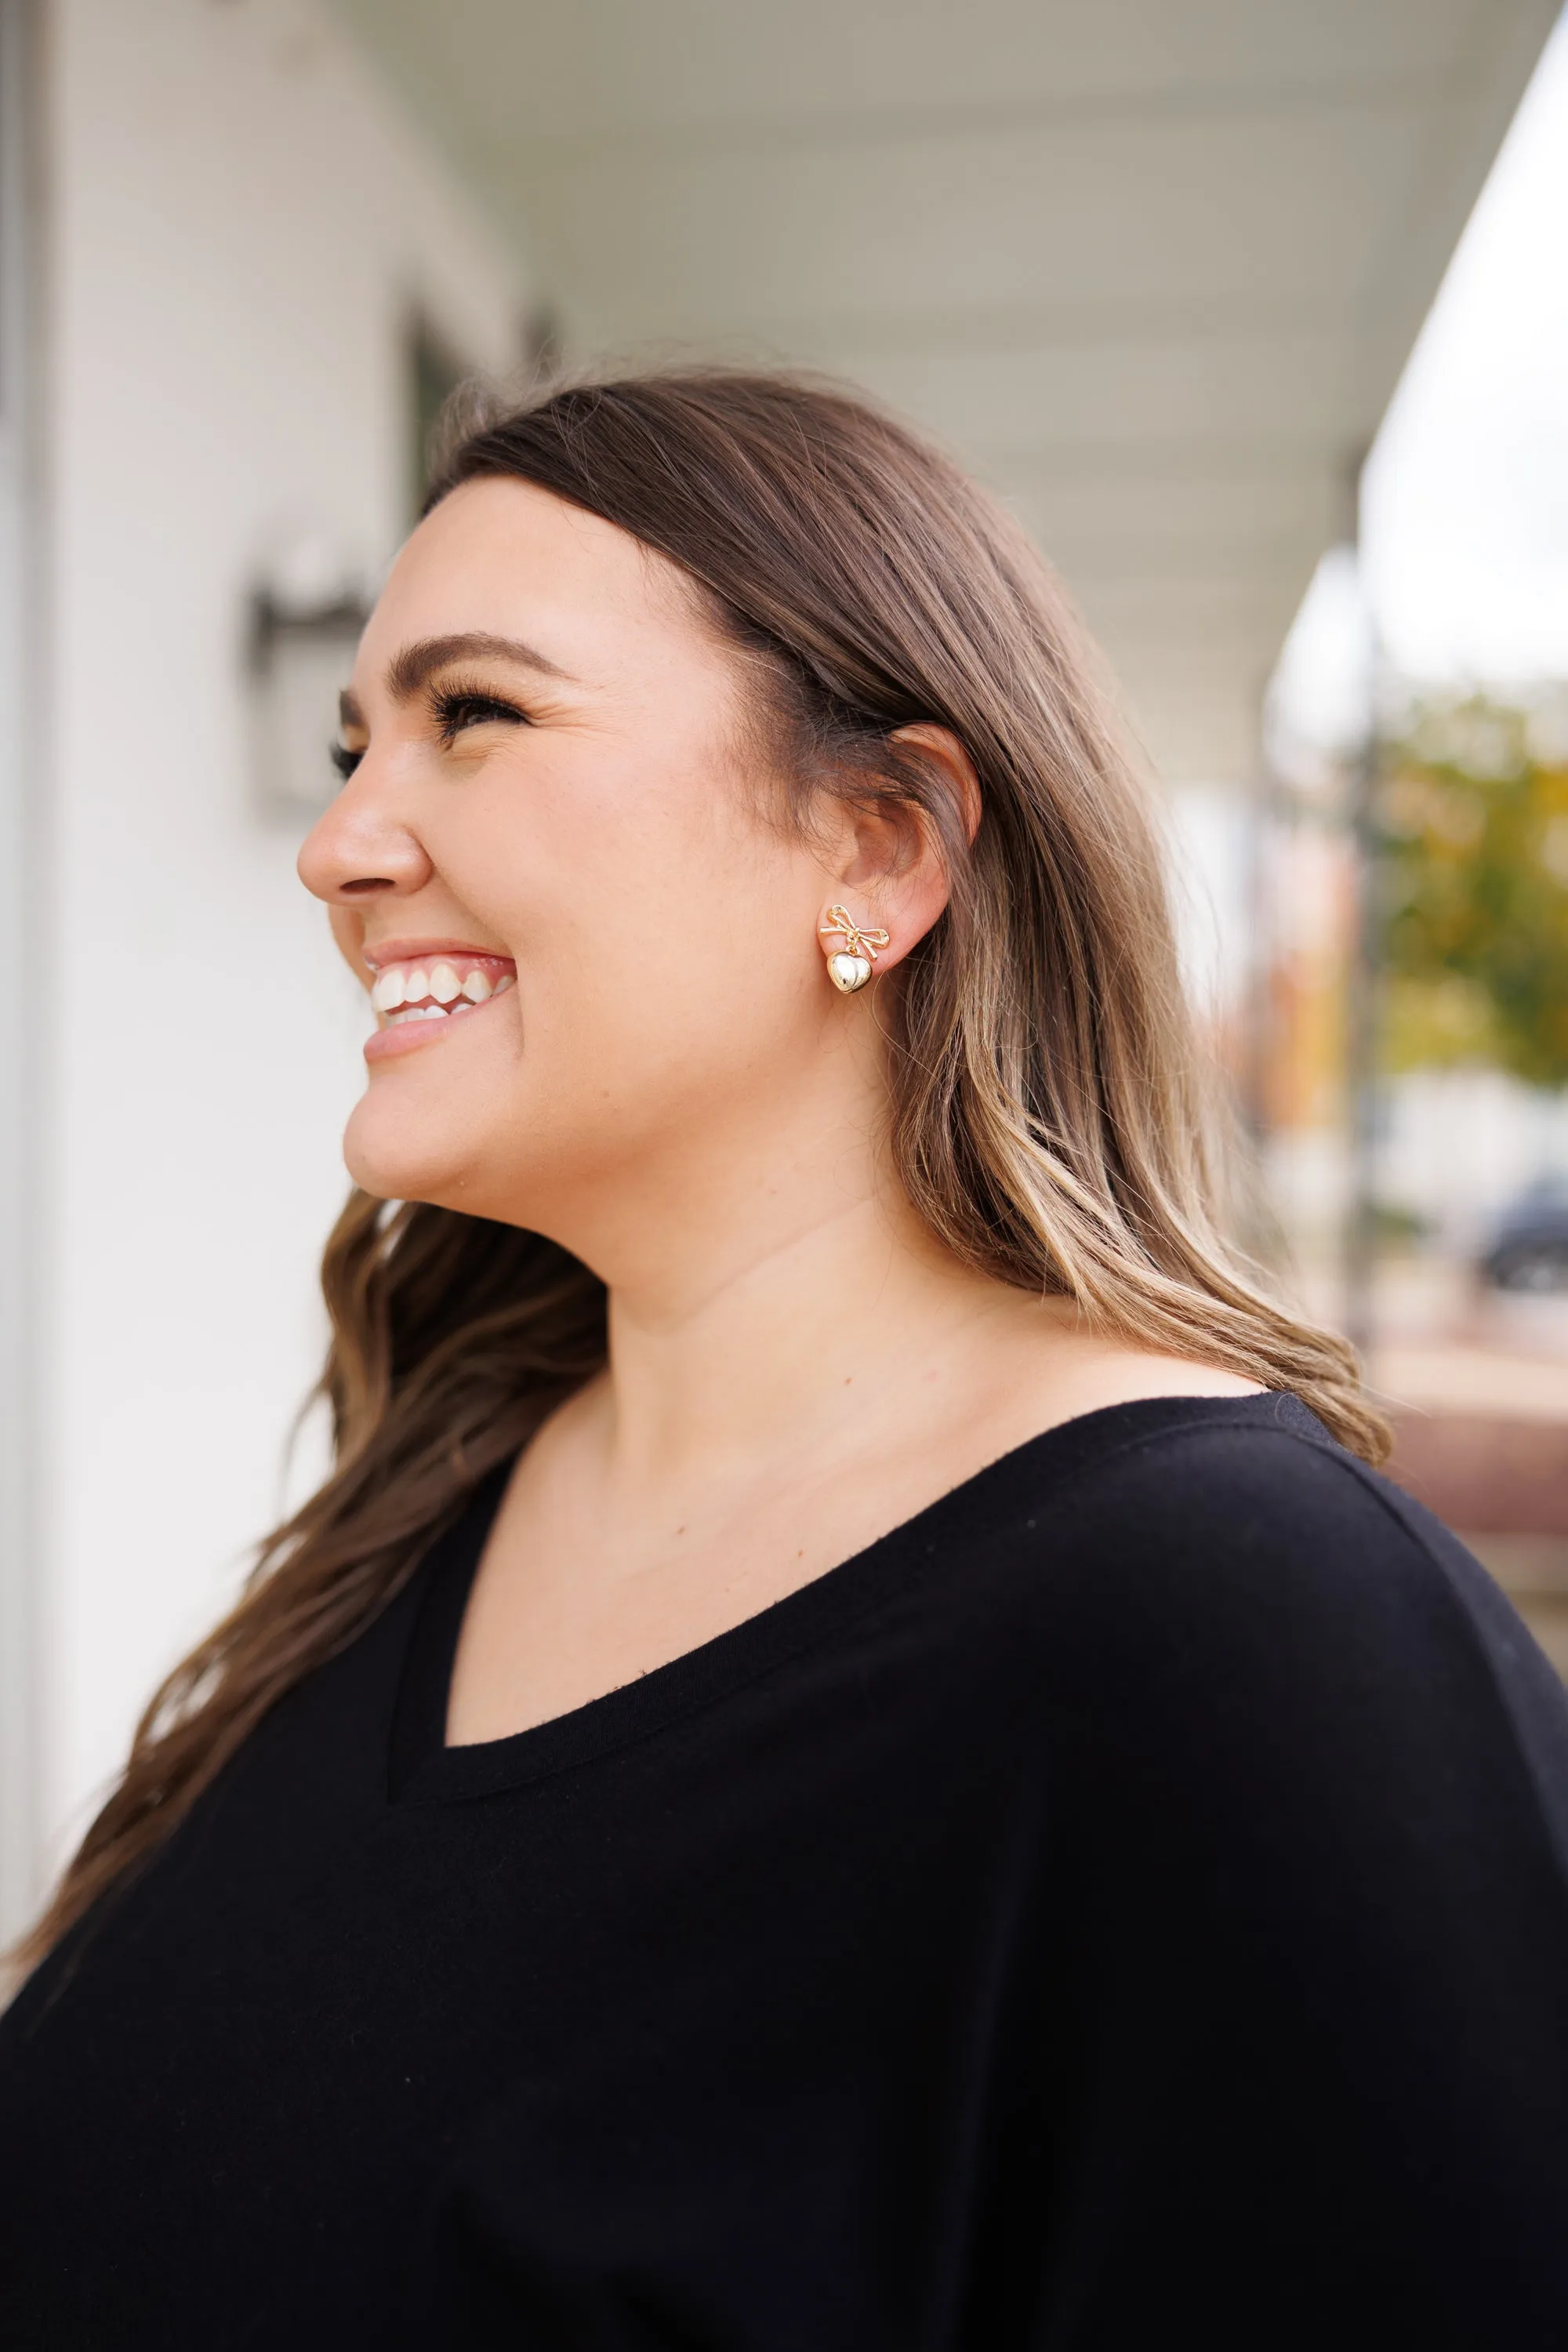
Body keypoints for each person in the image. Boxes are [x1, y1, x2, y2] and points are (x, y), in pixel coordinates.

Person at [2, 370, 1565, 2348]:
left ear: (881, 850)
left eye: (473, 715)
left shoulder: (1250, 1629)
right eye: (350, 740)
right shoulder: (431, 1505)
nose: (336, 845)